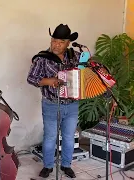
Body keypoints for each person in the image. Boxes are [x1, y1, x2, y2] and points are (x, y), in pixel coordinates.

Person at [27, 24, 80, 178]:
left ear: (68, 43)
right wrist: (48, 81)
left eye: (61, 42)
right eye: (54, 41)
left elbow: (84, 74)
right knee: (50, 137)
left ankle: (66, 165)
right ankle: (48, 166)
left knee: (69, 137)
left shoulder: (75, 56)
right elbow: (31, 78)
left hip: (72, 104)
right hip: (51, 103)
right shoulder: (43, 58)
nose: (56, 45)